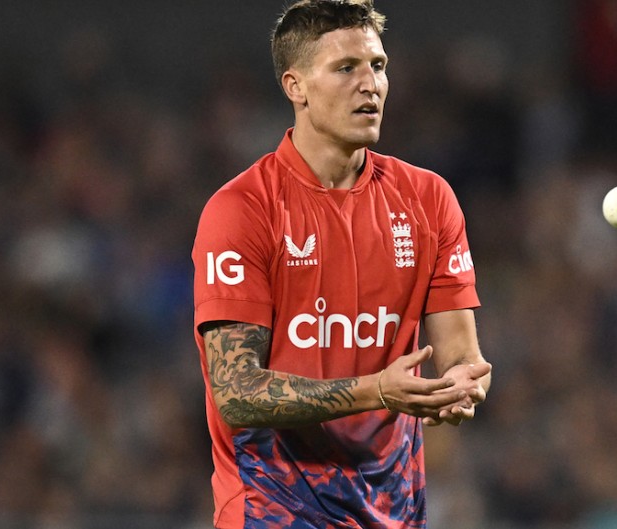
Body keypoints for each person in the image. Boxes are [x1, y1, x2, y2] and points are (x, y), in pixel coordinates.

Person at [191, 1, 492, 527]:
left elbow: (462, 353)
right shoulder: (243, 210)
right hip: (272, 508)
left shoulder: (429, 199)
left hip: (394, 510)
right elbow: (236, 392)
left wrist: (460, 386)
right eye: (345, 68)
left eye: (378, 65)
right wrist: (376, 390)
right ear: (295, 86)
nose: (369, 84)